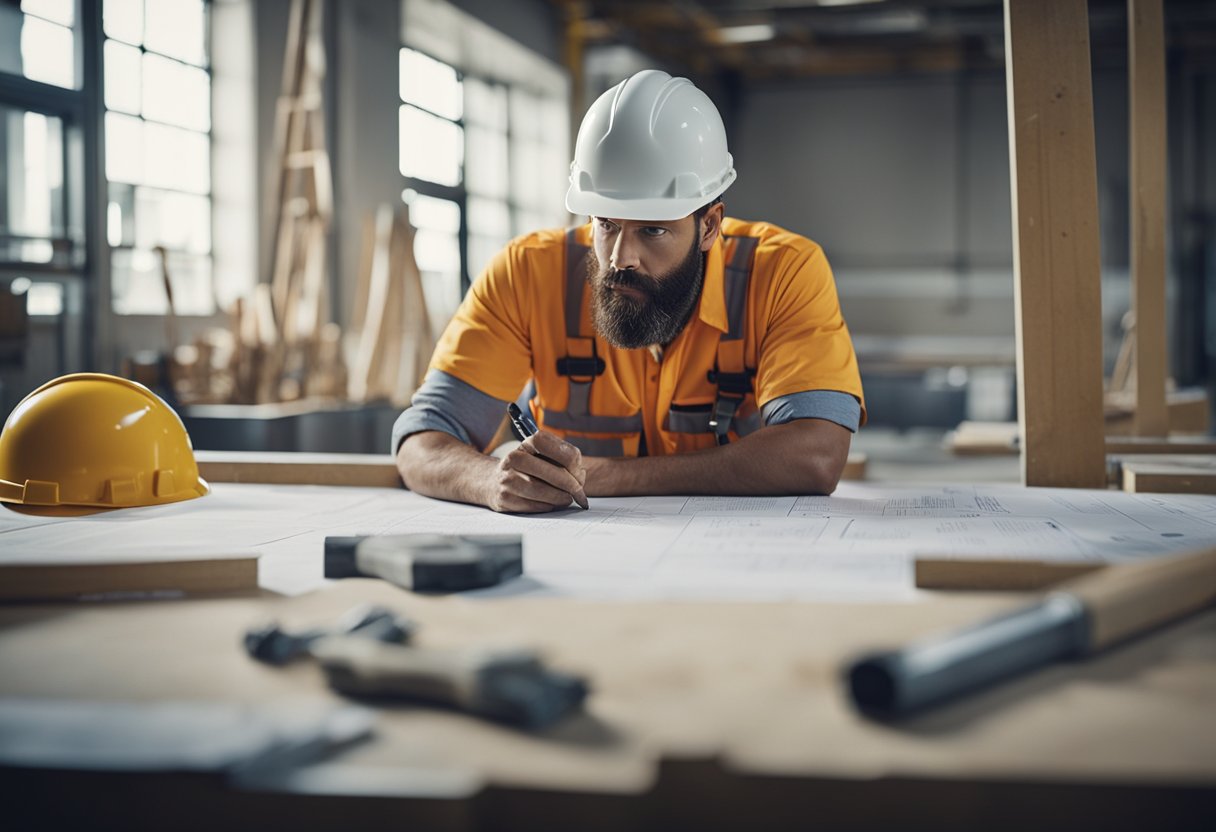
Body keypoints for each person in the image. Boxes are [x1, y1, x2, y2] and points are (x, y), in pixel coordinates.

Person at [393, 69, 865, 513]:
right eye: (607, 224)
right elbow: (421, 441)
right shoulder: (527, 274)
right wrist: (489, 481)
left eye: (653, 231)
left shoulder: (783, 271)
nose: (621, 257)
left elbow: (816, 454)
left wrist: (611, 477)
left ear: (709, 226)